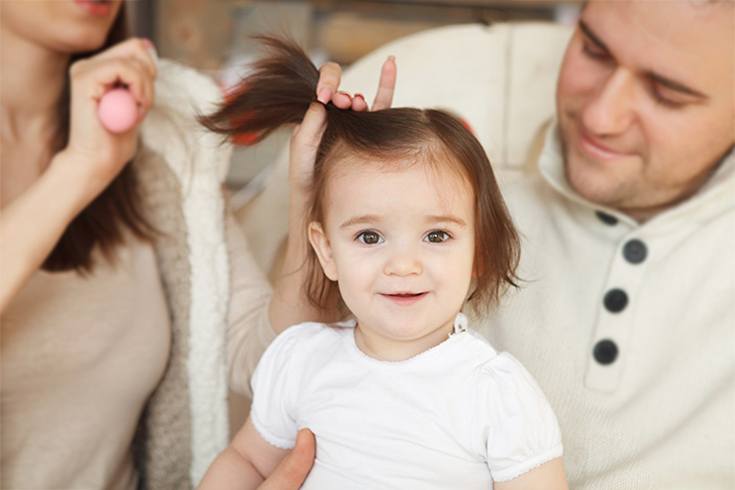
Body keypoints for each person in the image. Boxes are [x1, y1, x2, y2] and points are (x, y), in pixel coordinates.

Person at [251, 0, 735, 488]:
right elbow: (288, 385)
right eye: (594, 50)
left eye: (668, 95)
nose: (603, 116)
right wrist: (325, 198)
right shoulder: (465, 208)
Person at [196, 36, 568, 490]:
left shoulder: (497, 394)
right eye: (370, 237)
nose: (403, 265)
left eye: (437, 235)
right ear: (327, 252)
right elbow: (248, 462)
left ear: (480, 253)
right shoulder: (301, 359)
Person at [0, 2, 323, 488]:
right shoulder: (96, 154)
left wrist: (314, 203)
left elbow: (260, 357)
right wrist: (80, 169)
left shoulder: (166, 135)